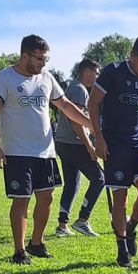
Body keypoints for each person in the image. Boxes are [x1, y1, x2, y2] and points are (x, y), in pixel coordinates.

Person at [0, 33, 94, 265]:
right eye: (40, 59)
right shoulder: (4, 78)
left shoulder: (46, 78)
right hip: (17, 151)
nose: (44, 64)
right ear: (25, 55)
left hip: (45, 151)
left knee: (47, 197)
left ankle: (37, 243)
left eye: (46, 59)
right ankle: (19, 250)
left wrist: (91, 125)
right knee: (21, 200)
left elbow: (65, 106)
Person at [88, 35, 138, 268]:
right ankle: (122, 249)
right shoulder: (113, 71)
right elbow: (93, 103)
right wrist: (98, 139)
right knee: (120, 201)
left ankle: (130, 228)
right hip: (114, 145)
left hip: (137, 144)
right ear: (132, 55)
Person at [54, 58, 106, 238]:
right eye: (96, 73)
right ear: (87, 71)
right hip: (74, 143)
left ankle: (62, 225)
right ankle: (83, 220)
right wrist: (90, 146)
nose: (97, 77)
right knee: (100, 179)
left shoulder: (73, 87)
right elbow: (76, 121)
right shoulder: (79, 90)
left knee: (72, 184)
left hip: (63, 143)